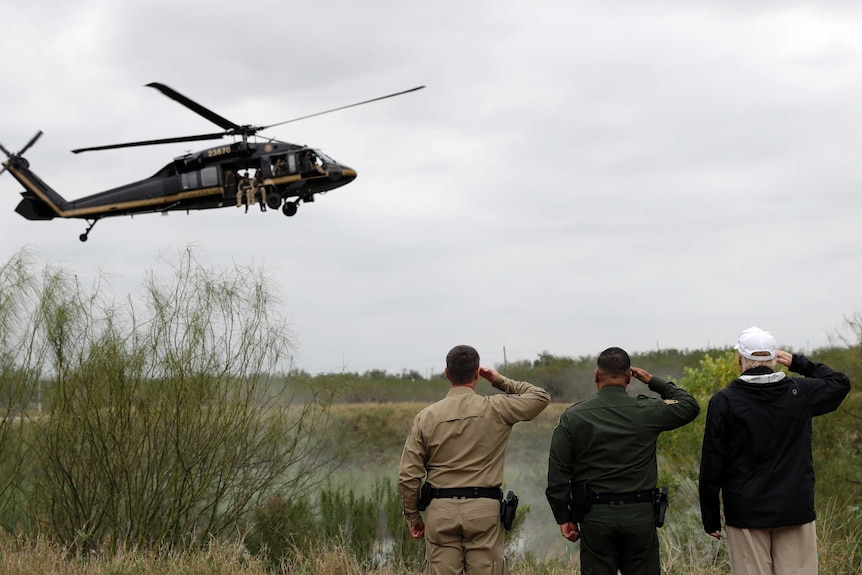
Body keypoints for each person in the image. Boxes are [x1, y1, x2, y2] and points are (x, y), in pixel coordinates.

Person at [699, 327, 851, 575]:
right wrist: (798, 362)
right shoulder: (800, 393)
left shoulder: (724, 400)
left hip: (745, 512)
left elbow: (712, 464)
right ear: (775, 359)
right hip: (795, 508)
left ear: (740, 361)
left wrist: (711, 518)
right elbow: (840, 383)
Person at [398, 345, 550, 575]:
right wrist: (500, 380)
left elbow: (409, 475)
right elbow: (540, 397)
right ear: (477, 374)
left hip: (441, 511)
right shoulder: (497, 408)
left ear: (447, 373)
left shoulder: (426, 417)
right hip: (484, 511)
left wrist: (413, 517)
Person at [546, 347, 700, 575]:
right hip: (639, 516)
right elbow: (689, 405)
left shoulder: (574, 416)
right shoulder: (647, 410)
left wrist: (564, 517)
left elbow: (558, 473)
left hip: (595, 517)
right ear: (629, 377)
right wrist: (653, 381)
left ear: (596, 376)